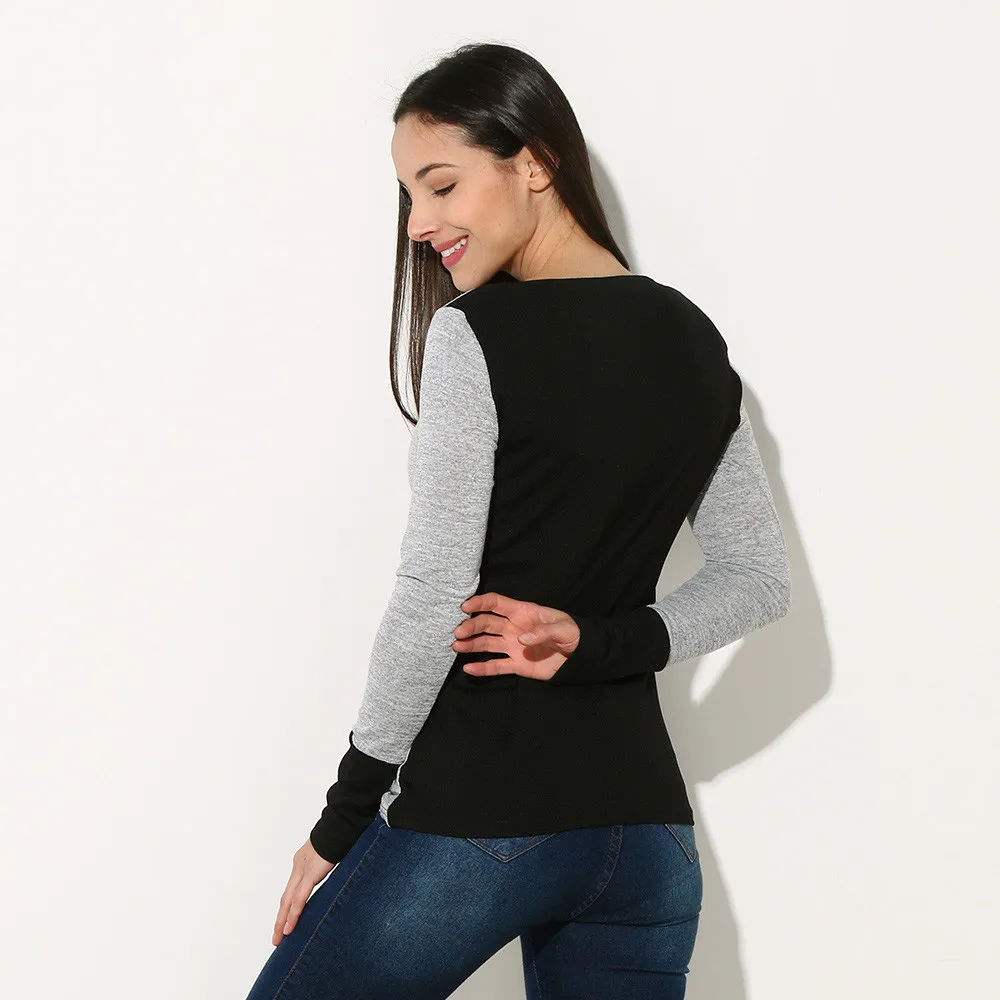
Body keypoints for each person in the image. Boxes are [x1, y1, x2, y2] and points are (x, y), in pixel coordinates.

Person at [244, 41, 790, 1000]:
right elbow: (757, 578)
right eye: (409, 196)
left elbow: (433, 598)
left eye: (441, 185)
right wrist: (601, 640)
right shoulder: (691, 338)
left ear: (533, 163)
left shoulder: (477, 335)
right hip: (644, 842)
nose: (419, 224)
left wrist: (343, 819)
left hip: (478, 816)